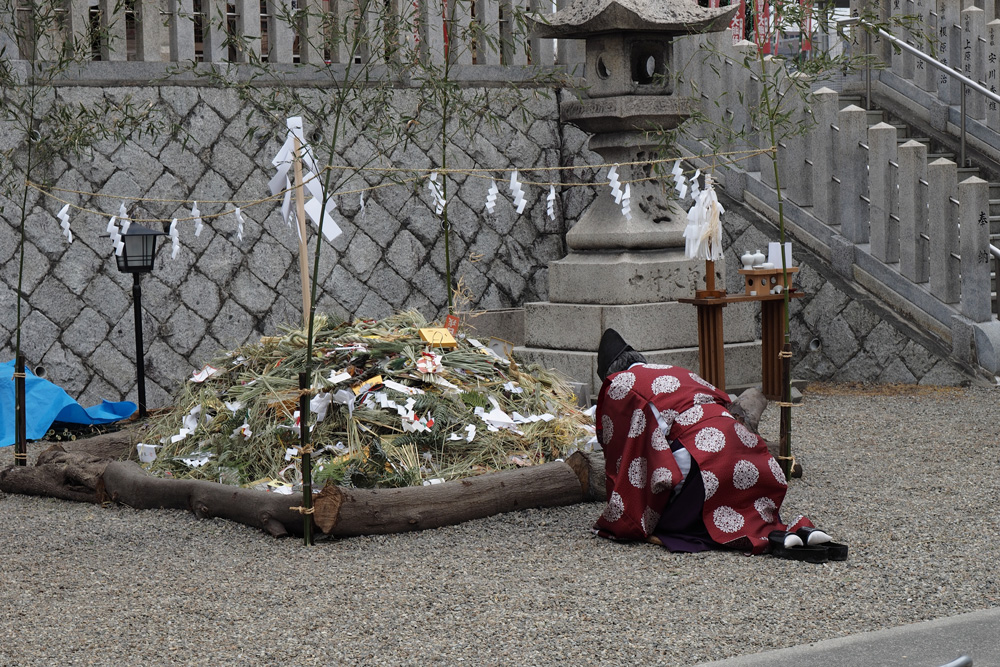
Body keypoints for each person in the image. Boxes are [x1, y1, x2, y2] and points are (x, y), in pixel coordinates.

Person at [593, 329, 845, 560]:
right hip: (746, 449)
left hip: (703, 459)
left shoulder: (618, 384)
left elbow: (621, 449)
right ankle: (790, 532)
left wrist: (625, 513)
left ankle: (772, 537)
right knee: (749, 511)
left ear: (608, 373)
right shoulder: (673, 370)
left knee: (671, 518)